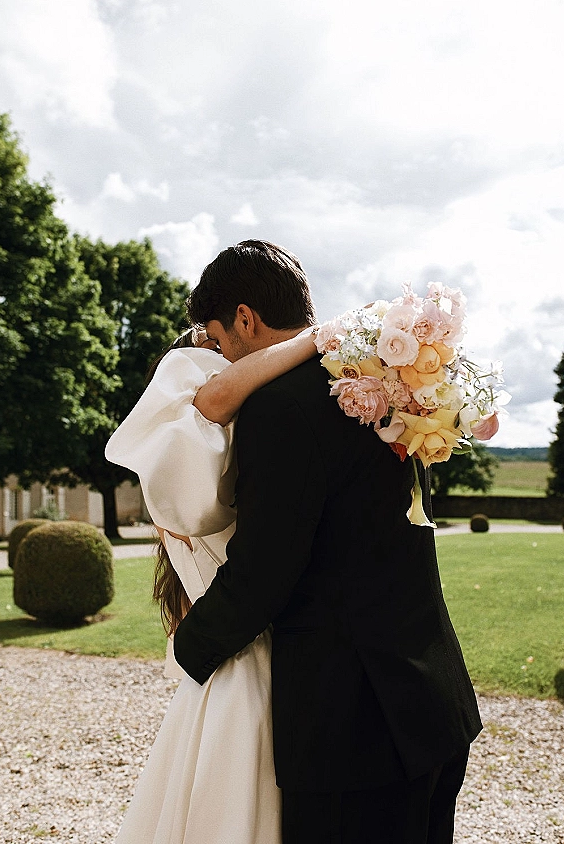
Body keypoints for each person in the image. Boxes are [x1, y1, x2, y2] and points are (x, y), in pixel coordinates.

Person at [173, 239, 483, 844]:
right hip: (431, 703)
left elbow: (265, 571)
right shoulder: (377, 383)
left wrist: (191, 646)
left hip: (355, 733)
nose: (219, 356)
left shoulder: (279, 408)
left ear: (245, 318)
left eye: (217, 339)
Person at [105, 318, 319, 844]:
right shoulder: (193, 475)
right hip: (247, 662)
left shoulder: (196, 475)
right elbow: (216, 398)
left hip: (225, 652)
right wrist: (317, 337)